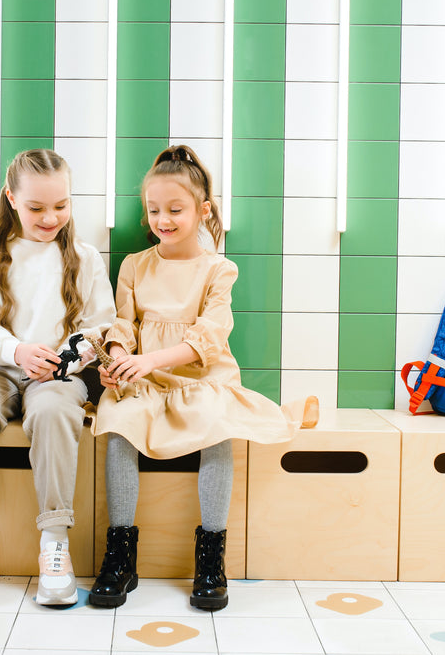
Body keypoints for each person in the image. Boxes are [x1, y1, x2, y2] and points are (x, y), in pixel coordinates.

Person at [88, 145, 300, 611]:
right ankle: (121, 555)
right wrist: (120, 358)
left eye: (175, 209)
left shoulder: (219, 269)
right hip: (145, 380)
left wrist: (150, 360)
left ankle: (211, 557)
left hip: (203, 378)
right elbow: (123, 324)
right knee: (119, 423)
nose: (163, 219)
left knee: (214, 424)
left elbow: (209, 337)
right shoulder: (134, 265)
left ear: (203, 210)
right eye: (154, 210)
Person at [0, 149, 115, 606]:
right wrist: (16, 349)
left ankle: (54, 542)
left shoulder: (86, 257)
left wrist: (62, 359)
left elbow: (102, 324)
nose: (51, 217)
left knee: (56, 412)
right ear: (11, 199)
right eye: (37, 207)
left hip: (59, 375)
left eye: (61, 205)